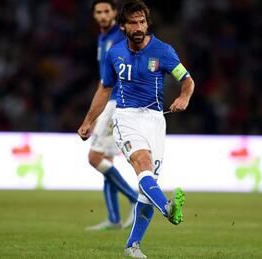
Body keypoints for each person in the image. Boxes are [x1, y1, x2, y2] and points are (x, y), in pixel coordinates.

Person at [78, 0, 195, 257]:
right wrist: (89, 120)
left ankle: (132, 246)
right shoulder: (115, 53)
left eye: (142, 21)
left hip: (155, 120)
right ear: (123, 26)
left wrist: (184, 97)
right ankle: (167, 208)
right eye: (133, 22)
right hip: (126, 117)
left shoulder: (164, 51)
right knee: (141, 163)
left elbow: (187, 81)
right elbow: (105, 88)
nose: (139, 26)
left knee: (147, 186)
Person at [85, 0, 138, 232]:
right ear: (94, 15)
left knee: (95, 158)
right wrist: (95, 111)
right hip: (108, 102)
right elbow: (103, 78)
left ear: (115, 13)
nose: (103, 15)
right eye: (99, 12)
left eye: (107, 11)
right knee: (107, 160)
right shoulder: (102, 38)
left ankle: (135, 198)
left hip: (117, 101)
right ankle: (114, 218)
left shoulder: (120, 37)